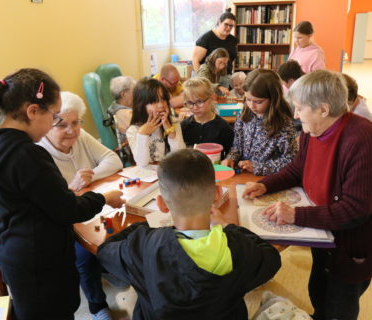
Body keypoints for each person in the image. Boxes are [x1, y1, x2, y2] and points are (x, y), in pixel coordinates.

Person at [0, 68, 124, 320]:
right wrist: (105, 198)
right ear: (32, 111)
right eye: (54, 116)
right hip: (40, 260)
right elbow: (68, 209)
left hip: (12, 249)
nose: (56, 124)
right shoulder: (29, 155)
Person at [243, 70, 372, 320]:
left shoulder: (361, 139)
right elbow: (298, 168)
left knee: (339, 306)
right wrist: (266, 185)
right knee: (318, 291)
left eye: (300, 108)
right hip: (322, 237)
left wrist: (295, 214)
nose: (295, 114)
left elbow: (356, 209)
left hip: (350, 248)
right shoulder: (314, 129)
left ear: (323, 109)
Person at [97, 148, 281, 319]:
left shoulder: (141, 245)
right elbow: (271, 257)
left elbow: (104, 252)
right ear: (217, 195)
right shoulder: (238, 247)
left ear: (161, 204)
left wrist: (143, 227)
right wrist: (227, 225)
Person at [37, 91, 124, 319]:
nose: (71, 130)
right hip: (63, 217)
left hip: (91, 205)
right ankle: (98, 306)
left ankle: (111, 266)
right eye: (62, 125)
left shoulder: (81, 136)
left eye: (76, 123)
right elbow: (49, 203)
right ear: (48, 125)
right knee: (84, 254)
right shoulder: (39, 153)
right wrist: (72, 186)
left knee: (123, 227)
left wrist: (90, 176)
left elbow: (114, 160)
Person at [222, 69, 297, 176]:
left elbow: (290, 160)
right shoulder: (243, 116)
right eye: (248, 99)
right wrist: (231, 158)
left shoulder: (283, 124)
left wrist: (258, 167)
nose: (252, 106)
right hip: (243, 176)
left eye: (258, 102)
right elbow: (237, 146)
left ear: (273, 98)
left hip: (268, 179)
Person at [126, 78, 185, 167]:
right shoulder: (134, 130)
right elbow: (142, 163)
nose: (161, 105)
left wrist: (170, 130)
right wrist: (143, 134)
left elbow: (181, 156)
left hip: (170, 173)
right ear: (141, 105)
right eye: (154, 101)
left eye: (163, 99)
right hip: (148, 177)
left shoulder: (173, 123)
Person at [181, 77, 234, 157]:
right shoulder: (184, 126)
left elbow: (230, 153)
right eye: (190, 103)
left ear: (211, 98)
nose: (195, 107)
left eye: (200, 102)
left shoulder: (224, 128)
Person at [193, 9, 238, 75]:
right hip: (208, 76)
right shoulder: (206, 38)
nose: (228, 28)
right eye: (226, 24)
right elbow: (195, 60)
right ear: (219, 22)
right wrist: (202, 79)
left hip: (226, 76)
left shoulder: (233, 40)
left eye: (231, 26)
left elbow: (230, 60)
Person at [108, 76, 136, 141]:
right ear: (123, 94)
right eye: (134, 91)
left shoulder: (114, 105)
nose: (136, 94)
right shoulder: (126, 113)